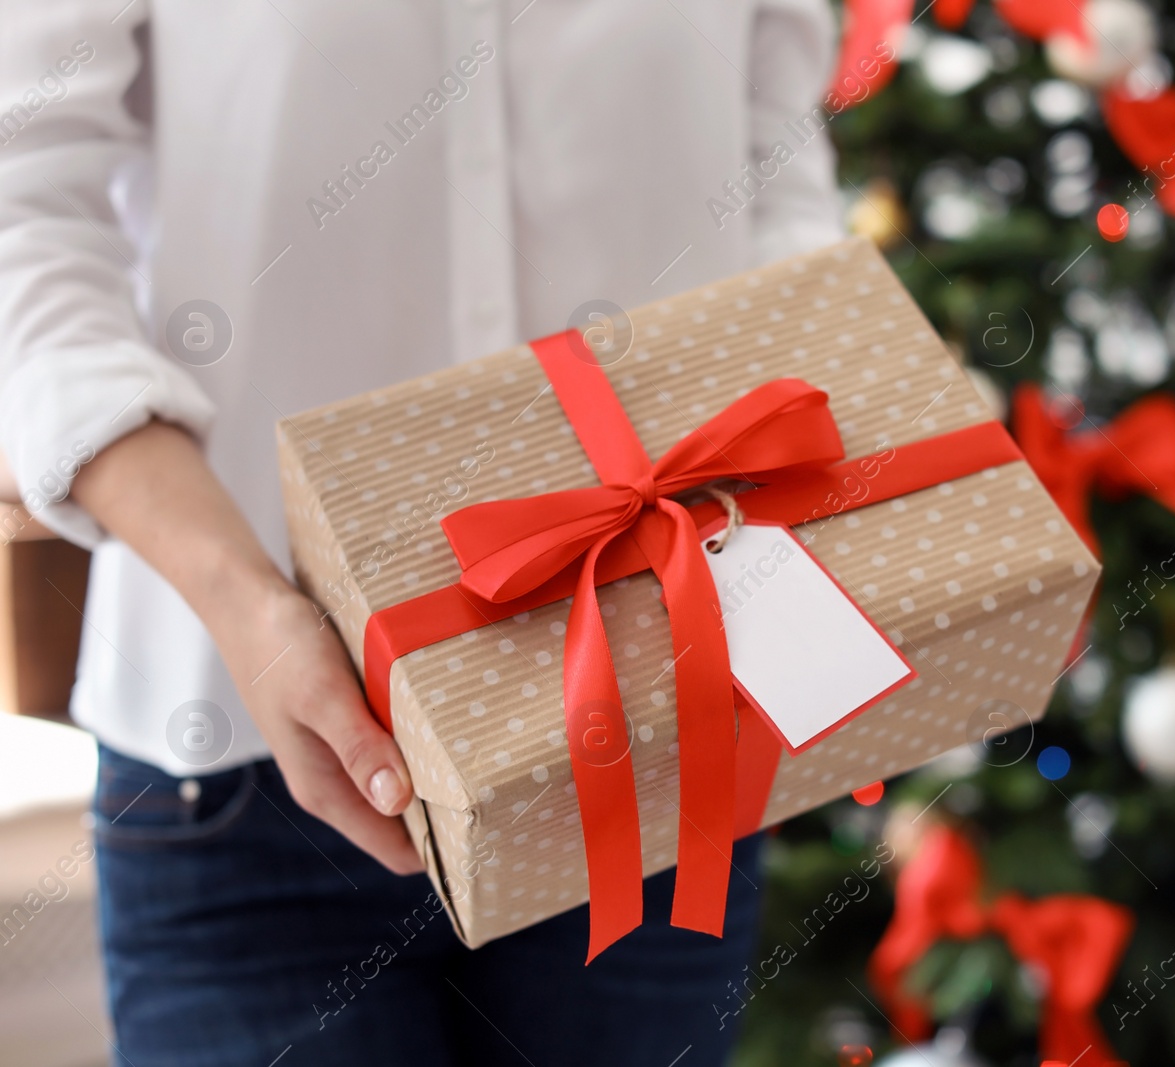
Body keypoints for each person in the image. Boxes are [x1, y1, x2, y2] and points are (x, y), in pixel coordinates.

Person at [0, 2, 844, 1064]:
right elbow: (20, 215)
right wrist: (248, 604)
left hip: (656, 748)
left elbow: (772, 169)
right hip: (243, 770)